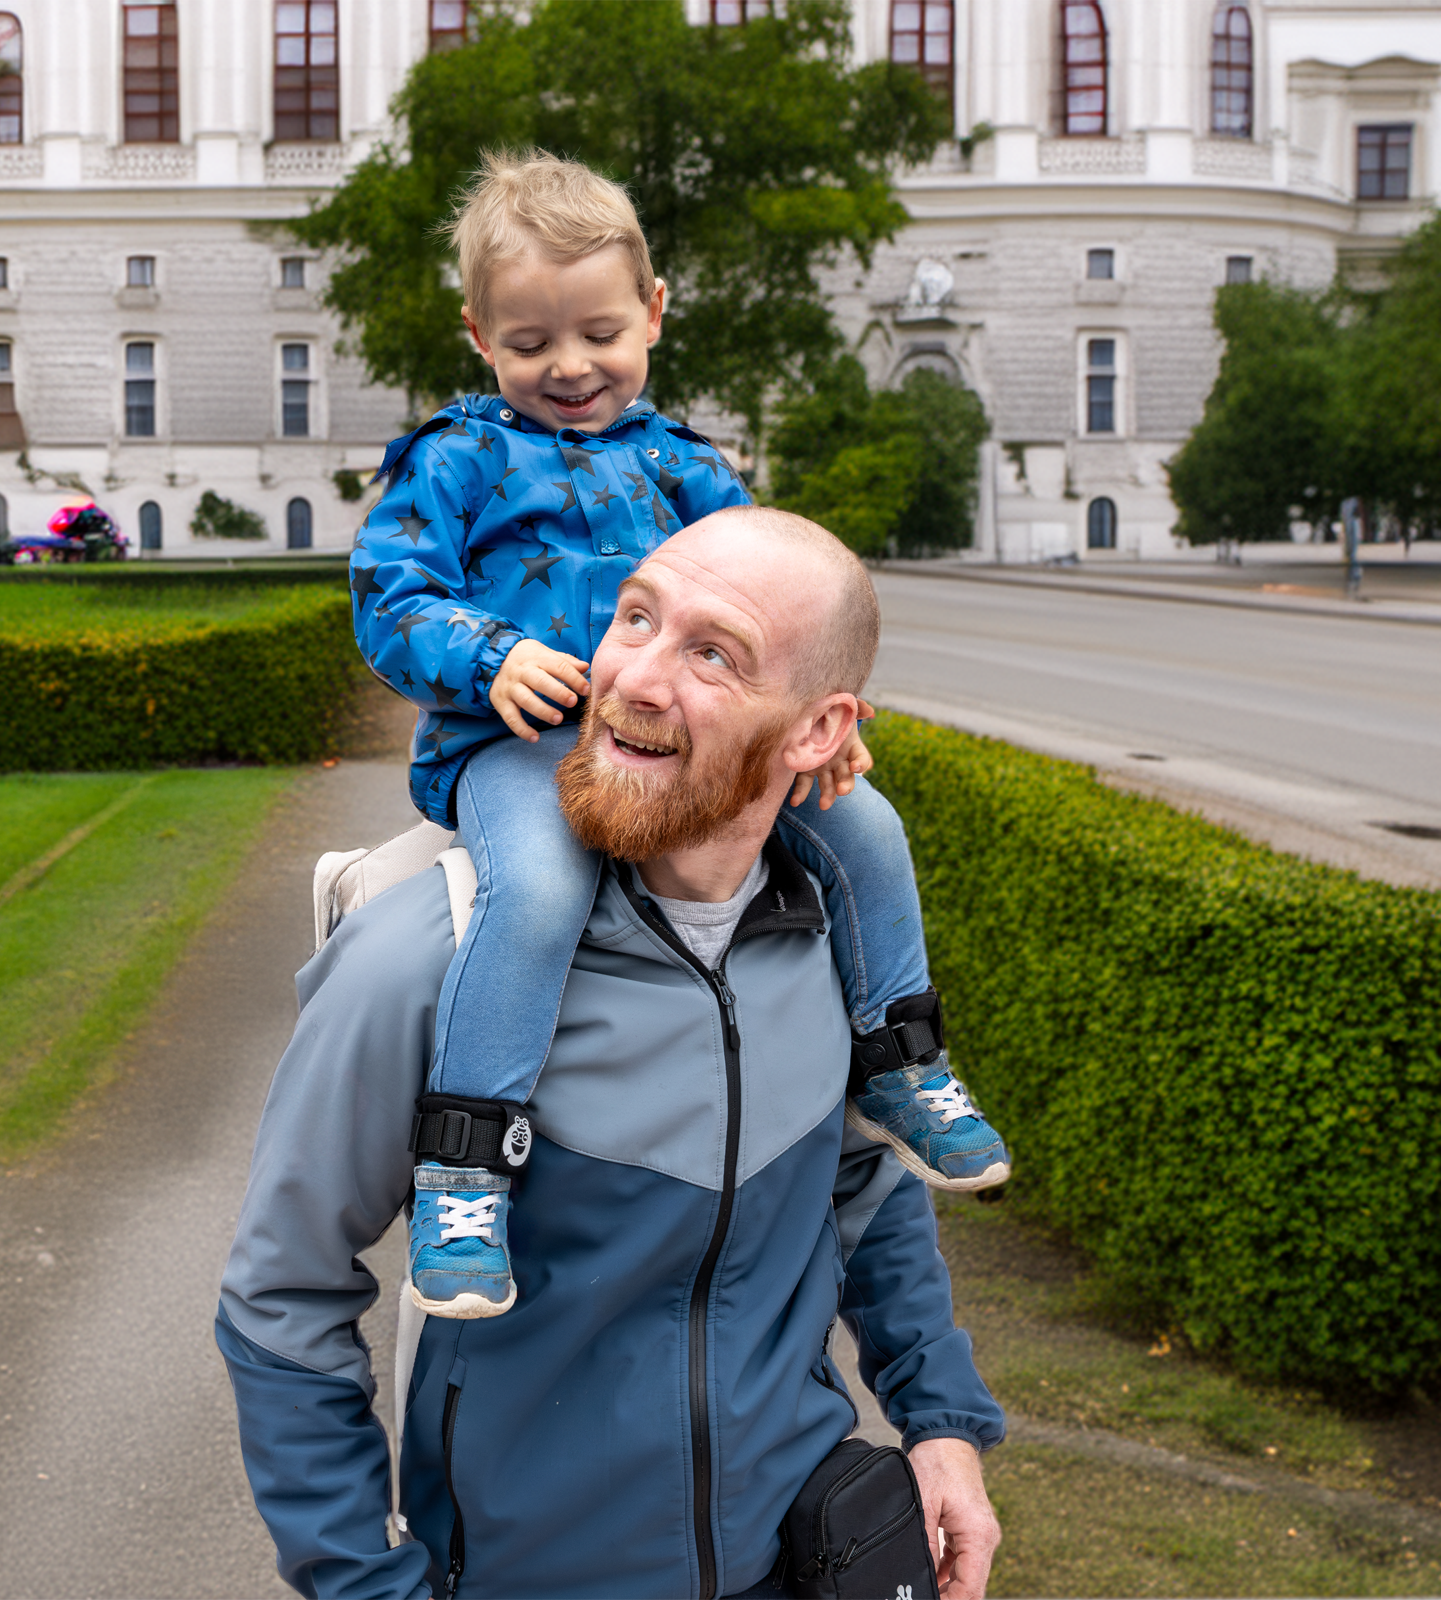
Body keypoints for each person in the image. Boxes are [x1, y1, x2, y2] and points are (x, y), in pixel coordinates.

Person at [218, 508, 1005, 1600]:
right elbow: (282, 1296)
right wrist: (362, 1587)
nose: (631, 676)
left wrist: (941, 1424)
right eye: (633, 617)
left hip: (800, 1560)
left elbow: (860, 1176)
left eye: (710, 653)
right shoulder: (418, 959)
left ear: (821, 732)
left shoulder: (831, 939)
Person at [349, 152, 1009, 1321]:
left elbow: (784, 612)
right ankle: (463, 1165)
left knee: (865, 824)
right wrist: (491, 654)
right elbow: (389, 603)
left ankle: (901, 1060)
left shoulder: (690, 467)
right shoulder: (452, 459)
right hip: (526, 742)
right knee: (544, 894)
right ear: (478, 336)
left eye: (598, 331)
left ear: (652, 313)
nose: (568, 367)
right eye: (529, 341)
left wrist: (816, 726)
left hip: (689, 740)